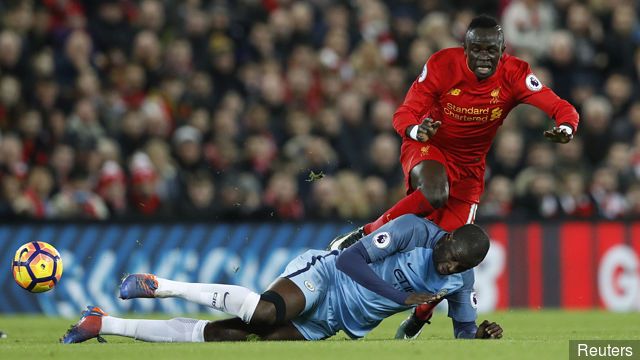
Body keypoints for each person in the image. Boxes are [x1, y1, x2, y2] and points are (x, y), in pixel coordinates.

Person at [327, 14, 579, 338]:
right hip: (428, 147)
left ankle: (419, 318)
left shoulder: (515, 74)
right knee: (435, 191)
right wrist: (417, 130)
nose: (485, 58)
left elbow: (563, 108)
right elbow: (403, 113)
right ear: (465, 48)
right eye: (478, 50)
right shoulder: (442, 65)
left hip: (470, 170)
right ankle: (365, 234)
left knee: (452, 253)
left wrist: (566, 128)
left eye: (492, 51)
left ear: (503, 50)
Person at [61, 215, 502, 343]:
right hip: (327, 278)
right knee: (265, 311)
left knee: (236, 340)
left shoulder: (458, 281)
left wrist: (478, 337)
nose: (448, 269)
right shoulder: (413, 231)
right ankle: (164, 285)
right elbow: (349, 261)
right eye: (447, 259)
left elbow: (462, 331)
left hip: (331, 324)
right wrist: (400, 297)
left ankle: (105, 323)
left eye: (457, 268)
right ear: (445, 240)